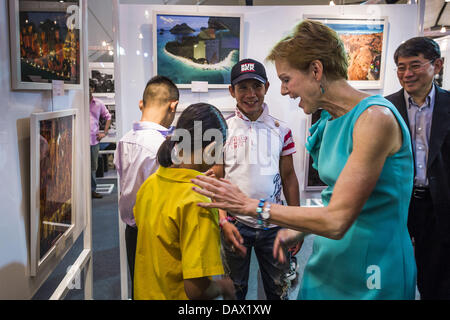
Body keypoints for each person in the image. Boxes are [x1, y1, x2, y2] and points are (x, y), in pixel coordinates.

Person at [191, 20, 417, 299]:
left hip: (373, 267)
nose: (284, 91)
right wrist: (299, 228)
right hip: (330, 258)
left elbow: (336, 219)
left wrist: (254, 207)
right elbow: (335, 199)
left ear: (316, 70)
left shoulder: (375, 119)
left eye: (286, 79)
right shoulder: (330, 121)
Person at [211, 58, 300, 300]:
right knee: (235, 290)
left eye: (256, 87)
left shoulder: (282, 130)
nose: (251, 94)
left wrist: (295, 222)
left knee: (279, 289)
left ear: (267, 88)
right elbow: (217, 179)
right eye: (243, 88)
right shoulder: (223, 130)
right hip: (235, 225)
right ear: (232, 91)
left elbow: (289, 178)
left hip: (274, 224)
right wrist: (222, 221)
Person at [133, 103, 235, 300]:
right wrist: (224, 286)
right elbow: (196, 290)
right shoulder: (198, 204)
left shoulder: (150, 184)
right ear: (212, 148)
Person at [385, 37, 450, 300]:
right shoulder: (385, 108)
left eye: (415, 65)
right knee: (391, 273)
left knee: (436, 278)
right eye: (401, 67)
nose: (407, 74)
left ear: (437, 65)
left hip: (440, 206)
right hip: (398, 203)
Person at [113, 75, 179, 298]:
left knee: (139, 287)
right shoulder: (164, 146)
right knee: (165, 289)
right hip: (159, 234)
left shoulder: (124, 140)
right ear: (173, 105)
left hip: (132, 230)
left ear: (142, 104)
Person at [89, 80, 111, 199]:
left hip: (93, 141)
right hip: (79, 142)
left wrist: (105, 132)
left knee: (93, 167)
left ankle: (92, 190)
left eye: (90, 87)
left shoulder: (98, 103)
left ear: (93, 89)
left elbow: (108, 117)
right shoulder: (78, 102)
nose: (88, 89)